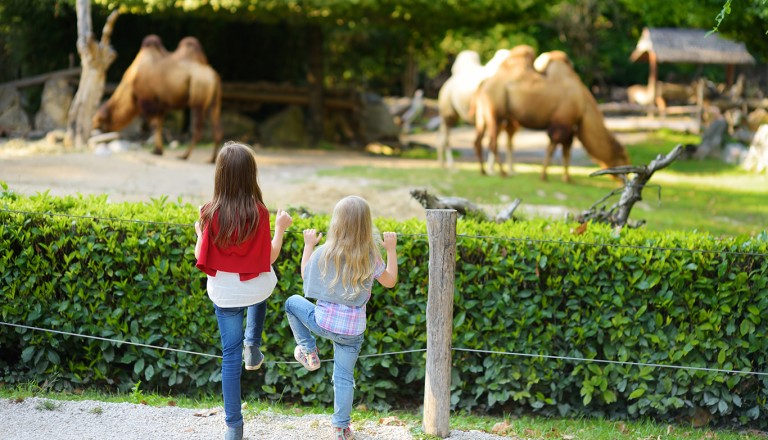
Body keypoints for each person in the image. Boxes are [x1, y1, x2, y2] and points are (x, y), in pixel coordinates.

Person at [194, 141, 293, 440]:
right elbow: (269, 257)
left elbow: (201, 253)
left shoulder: (208, 213)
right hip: (254, 290)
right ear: (251, 175)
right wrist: (281, 229)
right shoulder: (259, 212)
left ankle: (233, 427)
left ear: (220, 175)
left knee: (229, 357)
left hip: (224, 295)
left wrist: (200, 232)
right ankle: (254, 344)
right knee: (261, 287)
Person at [284, 195, 398, 440]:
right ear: (367, 225)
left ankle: (309, 351)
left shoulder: (327, 252)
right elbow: (389, 281)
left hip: (323, 323)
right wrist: (391, 250)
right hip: (353, 331)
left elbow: (306, 274)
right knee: (344, 378)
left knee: (291, 303)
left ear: (336, 223)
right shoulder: (370, 256)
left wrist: (308, 245)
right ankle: (341, 429)